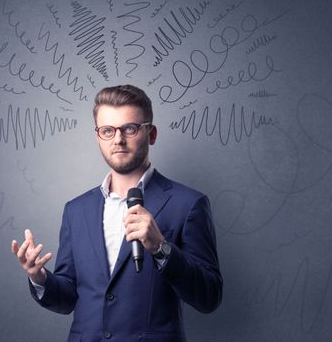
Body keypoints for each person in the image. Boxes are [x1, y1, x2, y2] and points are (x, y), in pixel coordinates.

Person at [11, 84, 222, 342]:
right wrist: (39, 277)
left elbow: (209, 296)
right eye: (108, 131)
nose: (118, 139)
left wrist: (161, 248)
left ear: (151, 133)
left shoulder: (188, 204)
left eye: (129, 128)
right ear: (98, 136)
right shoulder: (76, 210)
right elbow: (68, 300)